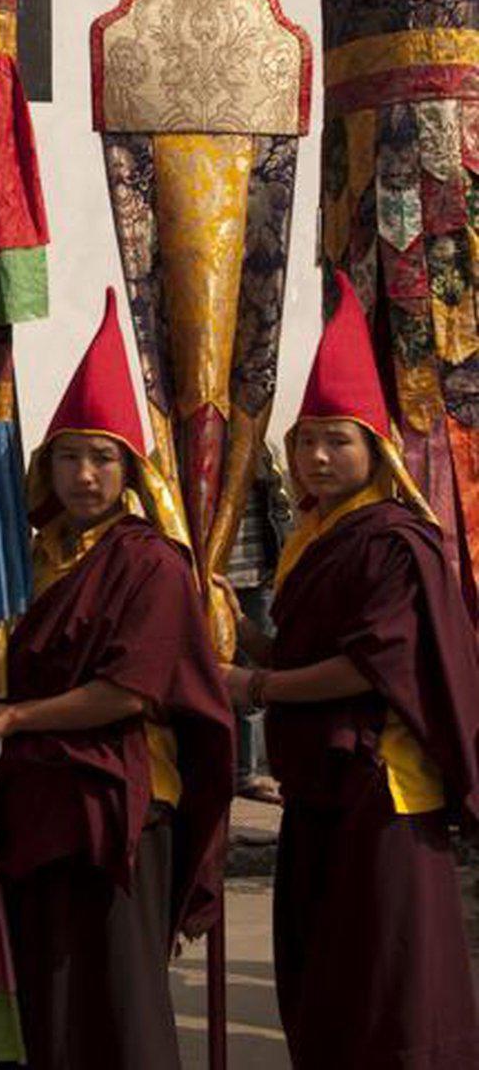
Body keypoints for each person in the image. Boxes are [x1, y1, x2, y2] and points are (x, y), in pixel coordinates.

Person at [0, 289, 234, 1069]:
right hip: (40, 803)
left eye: (102, 458)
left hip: (124, 801)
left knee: (120, 994)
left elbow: (130, 691)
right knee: (49, 993)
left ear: (129, 472)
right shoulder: (33, 557)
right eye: (69, 456)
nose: (83, 475)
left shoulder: (150, 563)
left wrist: (11, 720)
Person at [222, 271, 479, 1068]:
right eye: (306, 441)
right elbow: (308, 647)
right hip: (321, 784)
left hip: (382, 788)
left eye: (337, 441)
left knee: (385, 979)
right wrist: (239, 637)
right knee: (327, 974)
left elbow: (371, 666)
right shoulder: (314, 531)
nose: (318, 457)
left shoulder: (393, 538)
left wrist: (256, 688)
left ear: (374, 449)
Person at [226, 444, 292, 805]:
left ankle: (247, 772)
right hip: (213, 577)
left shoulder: (258, 447)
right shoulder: (187, 439)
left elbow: (279, 509)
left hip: (257, 574)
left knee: (253, 675)